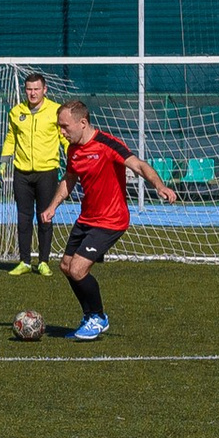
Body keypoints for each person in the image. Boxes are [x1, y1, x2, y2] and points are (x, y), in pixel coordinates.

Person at [49, 97, 177, 342]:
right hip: (87, 217)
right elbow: (69, 178)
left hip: (111, 220)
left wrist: (159, 185)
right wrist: (52, 206)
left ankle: (98, 317)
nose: (62, 131)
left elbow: (139, 165)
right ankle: (90, 316)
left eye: (65, 126)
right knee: (66, 267)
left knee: (78, 269)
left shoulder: (107, 144)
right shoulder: (73, 149)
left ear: (83, 123)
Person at [1, 70, 64, 274]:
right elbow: (11, 138)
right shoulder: (16, 112)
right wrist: (3, 161)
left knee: (45, 216)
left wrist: (73, 155)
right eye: (29, 89)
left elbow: (64, 137)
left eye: (37, 89)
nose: (33, 93)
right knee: (23, 218)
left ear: (45, 89)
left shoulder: (56, 111)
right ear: (25, 90)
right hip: (22, 173)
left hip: (47, 172)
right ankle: (25, 261)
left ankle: (44, 261)